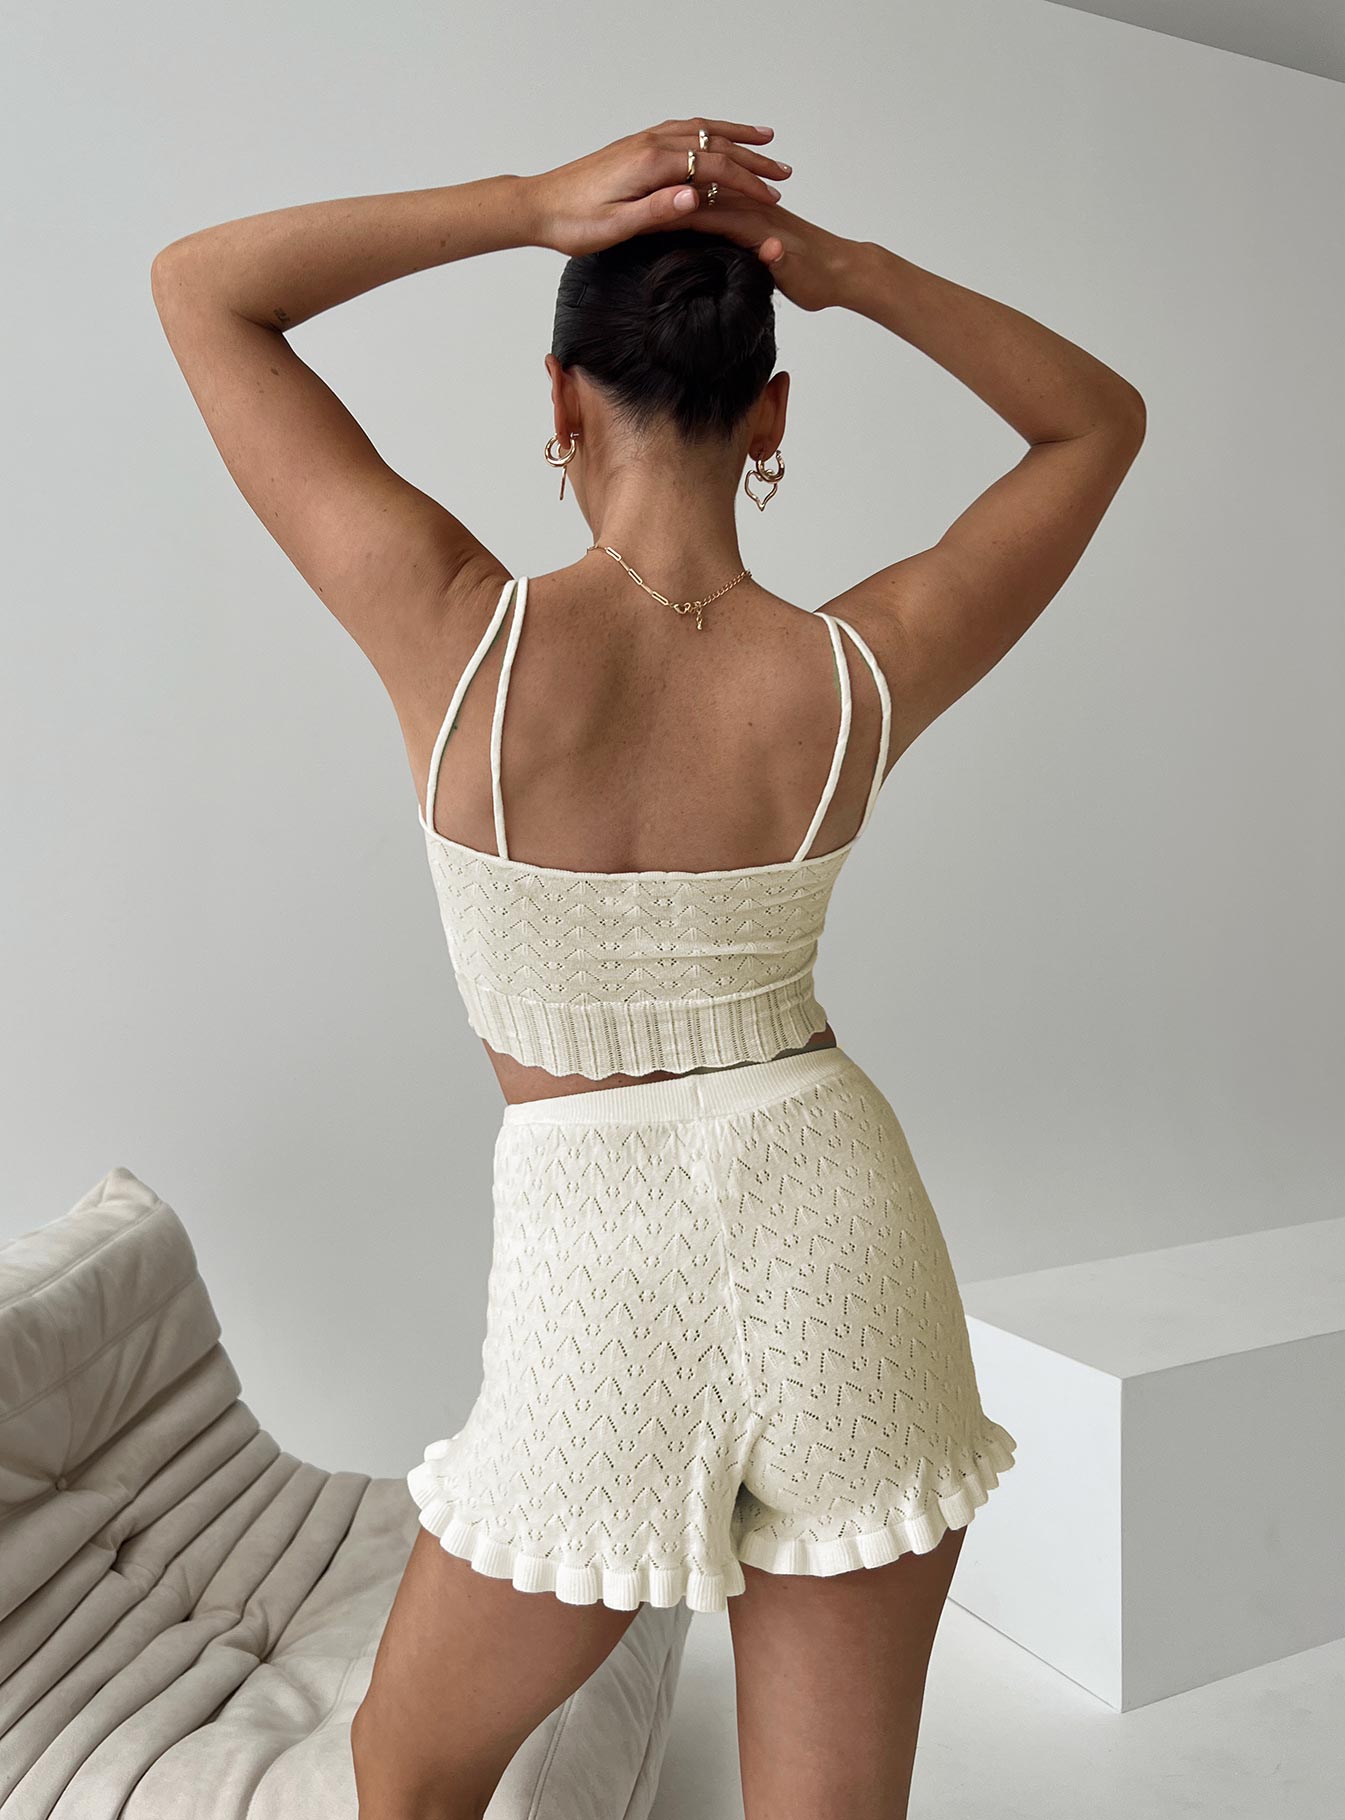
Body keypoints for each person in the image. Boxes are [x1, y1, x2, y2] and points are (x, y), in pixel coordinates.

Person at [150, 115, 1145, 1820]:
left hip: (598, 1255)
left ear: (558, 401)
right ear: (771, 417)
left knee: (408, 1774)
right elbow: (1093, 420)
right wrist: (845, 272)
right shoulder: (857, 670)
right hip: (841, 1223)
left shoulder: (457, 634)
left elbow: (203, 289)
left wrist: (525, 206)